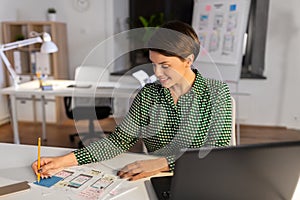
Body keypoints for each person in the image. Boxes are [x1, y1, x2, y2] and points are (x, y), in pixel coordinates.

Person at [32, 20, 232, 181]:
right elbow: (118, 142)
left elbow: (216, 150)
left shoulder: (216, 93)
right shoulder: (148, 95)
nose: (157, 73)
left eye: (165, 65)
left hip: (201, 180)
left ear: (188, 61)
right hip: (154, 178)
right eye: (153, 64)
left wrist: (162, 163)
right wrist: (62, 161)